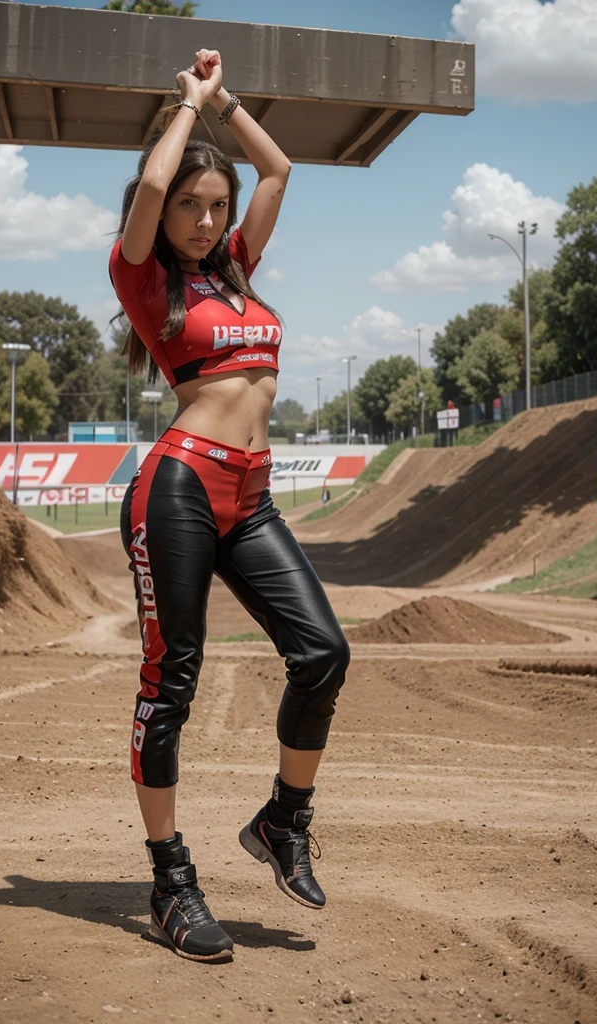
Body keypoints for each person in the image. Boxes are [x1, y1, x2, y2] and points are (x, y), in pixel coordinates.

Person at [109, 49, 349, 963]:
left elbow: (281, 169)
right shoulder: (145, 275)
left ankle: (283, 822)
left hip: (250, 496)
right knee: (172, 682)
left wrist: (227, 103)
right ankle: (171, 879)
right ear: (163, 213)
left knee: (324, 652)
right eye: (191, 208)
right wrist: (184, 108)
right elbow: (153, 181)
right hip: (178, 488)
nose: (207, 221)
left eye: (217, 208)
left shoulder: (237, 267)